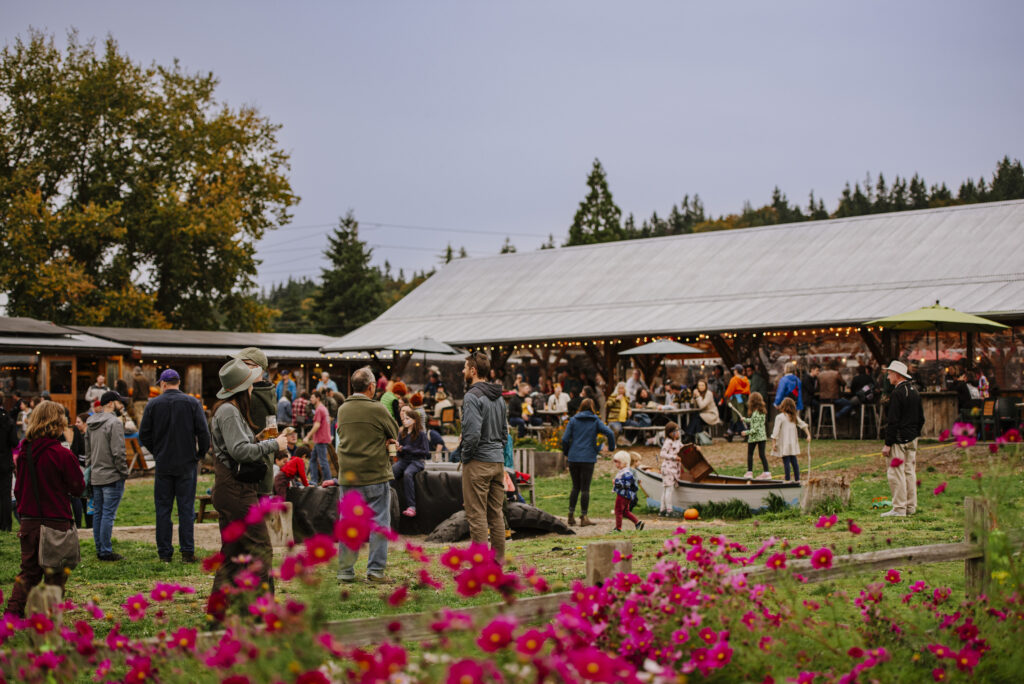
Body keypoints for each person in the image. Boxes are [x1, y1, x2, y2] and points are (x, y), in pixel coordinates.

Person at [209, 358, 288, 594]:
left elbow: (237, 445)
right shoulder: (230, 412)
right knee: (260, 548)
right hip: (236, 491)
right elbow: (239, 452)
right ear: (244, 388)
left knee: (233, 554)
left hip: (231, 489)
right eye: (252, 383)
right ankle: (262, 610)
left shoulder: (228, 410)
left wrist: (258, 438)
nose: (254, 387)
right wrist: (273, 444)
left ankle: (220, 609)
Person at [4, 401, 86, 617]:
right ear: (56, 422)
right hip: (56, 521)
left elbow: (19, 489)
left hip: (29, 522)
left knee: (29, 574)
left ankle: (12, 615)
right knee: (55, 576)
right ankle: (48, 619)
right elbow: (78, 488)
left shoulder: (24, 453)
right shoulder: (62, 454)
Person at [139, 368, 211, 563]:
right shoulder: (192, 403)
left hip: (164, 462)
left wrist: (157, 451)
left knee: (163, 508)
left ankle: (164, 552)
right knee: (186, 508)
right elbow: (204, 433)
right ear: (179, 383)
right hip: (187, 461)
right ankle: (187, 551)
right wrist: (200, 454)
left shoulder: (153, 404)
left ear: (162, 384)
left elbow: (143, 434)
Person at [335, 367, 398, 583]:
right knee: (379, 522)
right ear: (371, 387)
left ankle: (345, 572)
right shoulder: (377, 409)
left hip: (348, 475)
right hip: (374, 474)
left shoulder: (343, 409)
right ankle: (375, 571)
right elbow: (394, 431)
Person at [453, 352, 508, 564]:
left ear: (473, 371)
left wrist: (466, 456)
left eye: (465, 367)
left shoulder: (472, 397)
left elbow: (473, 434)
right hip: (496, 462)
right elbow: (504, 433)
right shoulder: (499, 397)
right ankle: (498, 563)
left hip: (478, 462)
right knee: (496, 515)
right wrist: (496, 451)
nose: (463, 371)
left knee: (476, 516)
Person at [85, 391, 130, 561]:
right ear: (111, 403)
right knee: (108, 514)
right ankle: (105, 550)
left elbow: (88, 453)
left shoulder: (90, 423)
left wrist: (90, 471)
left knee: (98, 513)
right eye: (119, 403)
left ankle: (100, 547)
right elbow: (118, 452)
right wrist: (124, 472)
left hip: (96, 474)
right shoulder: (114, 423)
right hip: (112, 474)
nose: (121, 406)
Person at [560, 398, 615, 527]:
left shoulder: (573, 420)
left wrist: (567, 452)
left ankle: (571, 515)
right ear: (592, 407)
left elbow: (564, 439)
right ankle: (584, 517)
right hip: (588, 458)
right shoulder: (595, 420)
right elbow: (610, 433)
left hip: (574, 457)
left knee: (575, 487)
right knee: (585, 489)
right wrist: (611, 448)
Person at [881, 361, 925, 518]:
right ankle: (910, 505)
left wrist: (888, 443)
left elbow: (893, 421)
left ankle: (899, 508)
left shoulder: (898, 393)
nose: (888, 376)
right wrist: (915, 433)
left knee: (896, 473)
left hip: (899, 439)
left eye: (890, 373)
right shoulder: (914, 391)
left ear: (897, 375)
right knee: (909, 472)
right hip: (912, 437)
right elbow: (921, 418)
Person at [232, 347, 277, 496]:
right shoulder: (266, 391)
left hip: (252, 473)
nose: (237, 367)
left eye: (243, 364)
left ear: (257, 368)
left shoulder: (253, 396)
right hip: (260, 469)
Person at [394, 407, 430, 517]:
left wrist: (405, 448)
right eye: (404, 419)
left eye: (407, 418)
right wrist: (398, 449)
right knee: (391, 472)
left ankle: (411, 506)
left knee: (408, 474)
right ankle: (387, 500)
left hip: (417, 461)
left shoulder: (421, 434)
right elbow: (401, 454)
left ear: (414, 420)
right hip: (404, 460)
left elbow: (425, 452)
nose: (404, 420)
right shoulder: (402, 434)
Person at [770, 397, 810, 483]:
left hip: (784, 444)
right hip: (792, 443)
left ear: (783, 406)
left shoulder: (780, 417)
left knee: (786, 462)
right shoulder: (794, 417)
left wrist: (773, 443)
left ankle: (787, 480)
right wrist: (808, 435)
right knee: (794, 461)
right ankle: (797, 479)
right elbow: (803, 425)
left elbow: (775, 432)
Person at [611, 451, 645, 532]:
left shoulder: (626, 472)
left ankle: (618, 528)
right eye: (615, 463)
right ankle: (637, 523)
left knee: (618, 511)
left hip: (623, 495)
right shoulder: (624, 471)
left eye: (618, 463)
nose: (616, 465)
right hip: (627, 496)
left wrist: (616, 482)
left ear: (625, 463)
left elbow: (627, 484)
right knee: (625, 511)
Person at [305, 390, 332, 485]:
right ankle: (314, 480)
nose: (311, 399)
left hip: (321, 439)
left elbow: (317, 425)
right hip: (322, 438)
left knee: (322, 461)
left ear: (318, 398)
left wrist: (307, 436)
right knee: (313, 460)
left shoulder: (319, 409)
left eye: (312, 397)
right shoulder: (323, 408)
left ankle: (327, 481)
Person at [742, 392, 771, 480]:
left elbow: (755, 429)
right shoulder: (761, 411)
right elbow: (755, 421)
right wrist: (745, 419)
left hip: (754, 438)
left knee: (750, 454)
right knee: (762, 455)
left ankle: (749, 472)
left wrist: (746, 433)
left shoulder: (755, 413)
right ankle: (766, 472)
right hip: (762, 437)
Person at [0, 394, 17, 532]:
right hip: (4, 460)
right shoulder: (7, 419)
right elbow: (14, 442)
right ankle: (5, 524)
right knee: (5, 494)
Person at [658, 422, 683, 516]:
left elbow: (683, 448)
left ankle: (662, 509)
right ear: (671, 433)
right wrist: (674, 457)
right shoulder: (668, 442)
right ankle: (669, 510)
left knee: (666, 489)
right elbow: (662, 454)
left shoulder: (677, 442)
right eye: (676, 430)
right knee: (668, 489)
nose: (678, 432)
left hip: (674, 468)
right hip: (668, 468)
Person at [722, 364, 751, 441]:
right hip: (744, 399)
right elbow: (748, 390)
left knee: (736, 416)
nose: (734, 371)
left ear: (737, 371)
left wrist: (725, 397)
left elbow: (730, 390)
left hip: (736, 400)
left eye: (735, 370)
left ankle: (742, 433)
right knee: (742, 414)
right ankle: (731, 433)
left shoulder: (734, 379)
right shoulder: (746, 379)